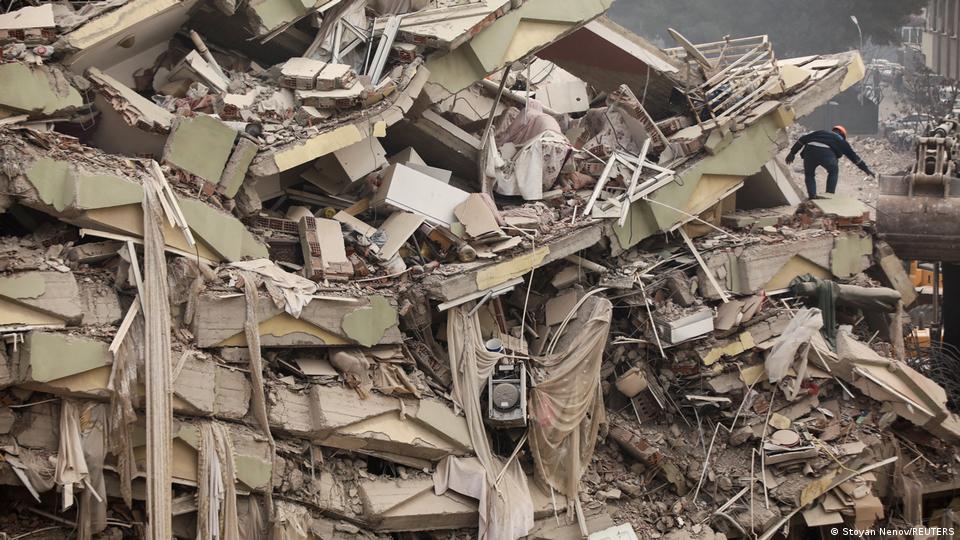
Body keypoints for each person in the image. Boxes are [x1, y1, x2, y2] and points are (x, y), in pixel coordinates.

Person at [786, 125, 876, 199]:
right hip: (826, 154)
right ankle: (829, 196)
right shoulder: (841, 140)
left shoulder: (820, 132)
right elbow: (854, 157)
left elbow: (802, 139)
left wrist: (792, 153)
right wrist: (866, 169)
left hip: (809, 152)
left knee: (809, 175)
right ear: (842, 135)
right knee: (833, 171)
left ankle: (812, 197)